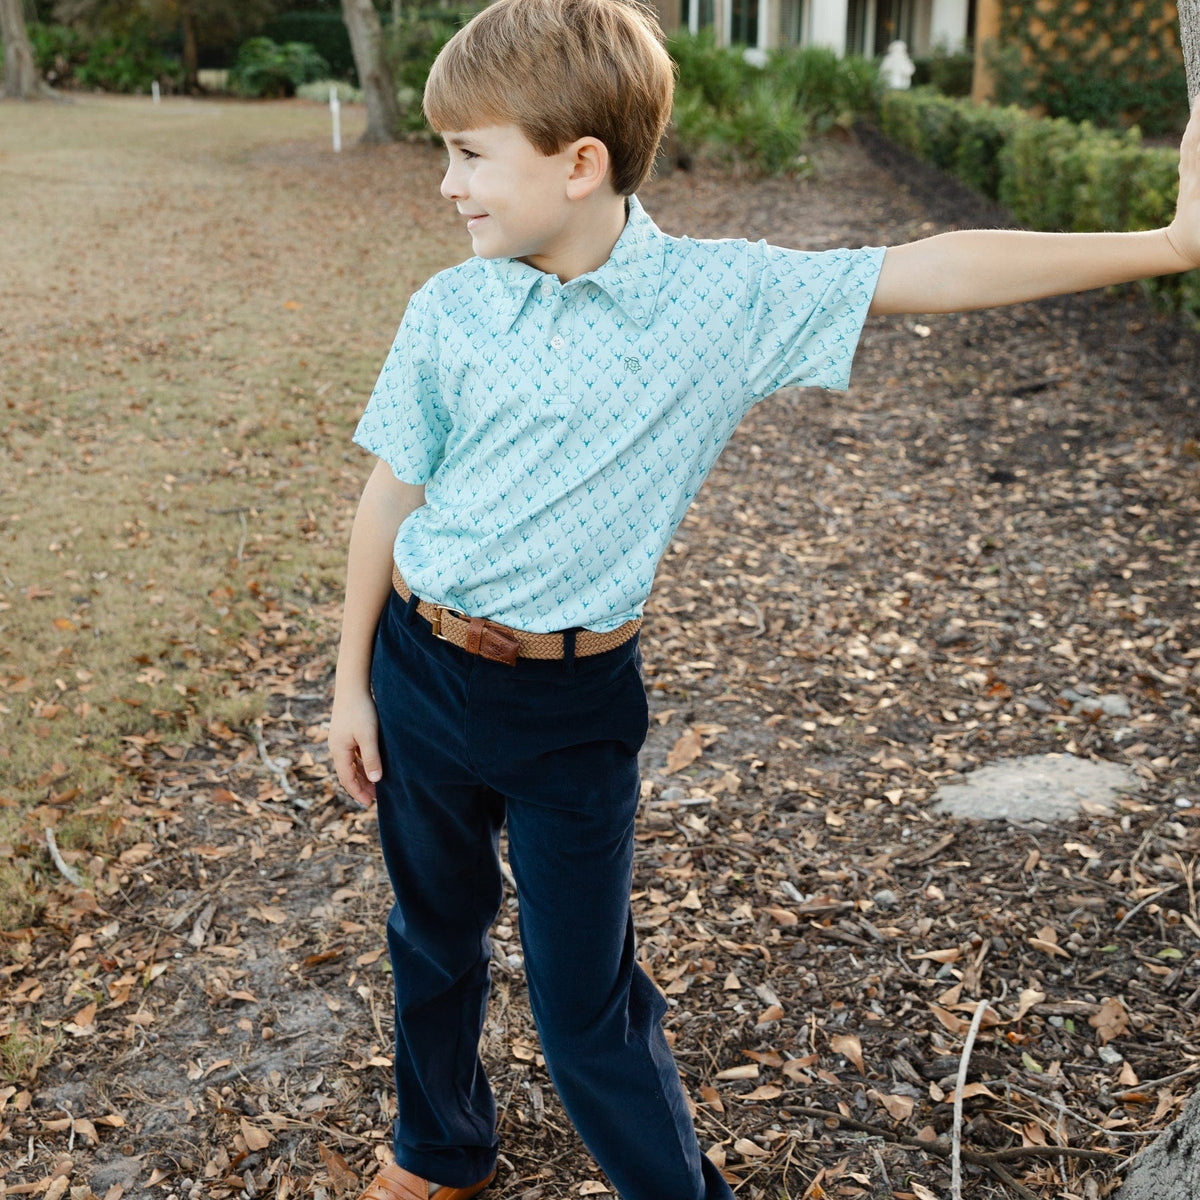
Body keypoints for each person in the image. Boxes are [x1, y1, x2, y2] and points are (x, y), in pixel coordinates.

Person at [328, 0, 1200, 1196]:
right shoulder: (453, 307)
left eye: (470, 155)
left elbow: (926, 269)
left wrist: (1165, 244)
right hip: (419, 676)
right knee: (432, 941)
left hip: (573, 708)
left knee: (588, 1004)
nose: (446, 185)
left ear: (580, 164)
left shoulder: (718, 303)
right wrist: (349, 690)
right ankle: (438, 1149)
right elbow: (389, 496)